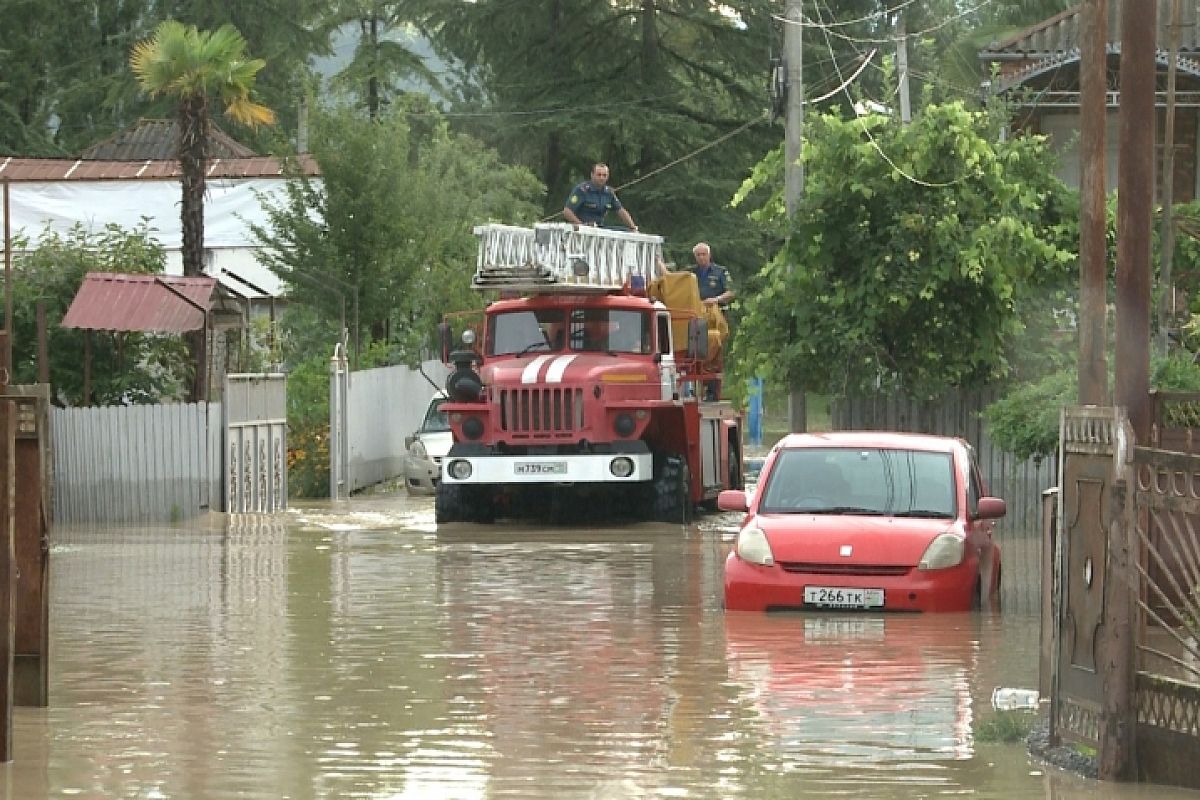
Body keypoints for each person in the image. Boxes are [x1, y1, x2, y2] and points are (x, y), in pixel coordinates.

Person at [563, 163, 638, 231]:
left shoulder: (609, 192)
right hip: (581, 230)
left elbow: (621, 211)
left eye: (604, 175)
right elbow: (567, 212)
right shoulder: (582, 190)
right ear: (592, 175)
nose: (601, 178)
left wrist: (633, 227)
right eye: (599, 175)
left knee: (627, 231)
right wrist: (582, 226)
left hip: (600, 228)